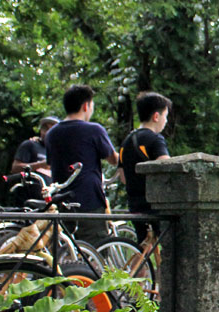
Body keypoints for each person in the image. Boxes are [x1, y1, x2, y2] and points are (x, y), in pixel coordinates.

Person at [44, 85, 119, 244]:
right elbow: (113, 159)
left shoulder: (52, 134)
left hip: (61, 201)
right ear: (86, 106)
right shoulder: (94, 130)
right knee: (96, 249)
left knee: (66, 250)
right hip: (89, 199)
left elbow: (51, 164)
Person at [118, 92, 172, 243]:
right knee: (171, 243)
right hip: (154, 205)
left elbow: (123, 177)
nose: (166, 121)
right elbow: (167, 168)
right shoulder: (155, 140)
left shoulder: (127, 141)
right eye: (165, 116)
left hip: (134, 203)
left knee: (144, 245)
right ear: (156, 116)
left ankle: (138, 268)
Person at [9, 116, 59, 203]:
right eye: (45, 128)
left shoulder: (59, 150)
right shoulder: (30, 145)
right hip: (31, 199)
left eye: (52, 129)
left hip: (53, 198)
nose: (48, 132)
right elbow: (15, 168)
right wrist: (40, 164)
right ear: (41, 130)